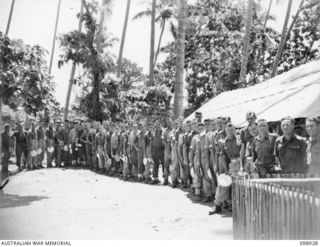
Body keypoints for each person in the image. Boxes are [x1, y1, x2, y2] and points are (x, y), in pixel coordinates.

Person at [209, 123, 241, 214]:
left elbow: (243, 152)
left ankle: (234, 205)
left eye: (232, 130)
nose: (230, 131)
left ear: (235, 130)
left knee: (237, 185)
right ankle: (217, 205)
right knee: (223, 183)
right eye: (228, 130)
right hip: (230, 164)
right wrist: (225, 169)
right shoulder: (223, 142)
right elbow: (222, 156)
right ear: (225, 131)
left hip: (239, 163)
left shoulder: (239, 139)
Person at [189, 121, 202, 201]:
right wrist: (190, 161)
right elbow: (191, 150)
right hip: (196, 158)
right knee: (197, 175)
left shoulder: (207, 136)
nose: (200, 129)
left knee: (206, 175)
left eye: (201, 128)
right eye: (199, 128)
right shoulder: (195, 137)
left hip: (205, 157)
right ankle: (197, 193)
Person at [150, 119, 164, 184]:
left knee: (164, 164)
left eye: (159, 124)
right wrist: (151, 151)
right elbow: (151, 142)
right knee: (155, 164)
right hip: (155, 150)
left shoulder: (163, 131)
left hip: (162, 150)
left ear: (161, 124)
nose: (157, 125)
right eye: (156, 124)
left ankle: (166, 179)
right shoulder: (153, 132)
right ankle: (155, 178)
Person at [162, 117, 173, 185]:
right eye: (167, 121)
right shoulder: (165, 130)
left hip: (174, 149)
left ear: (172, 121)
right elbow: (163, 140)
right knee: (166, 164)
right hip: (167, 149)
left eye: (170, 121)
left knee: (174, 165)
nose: (169, 122)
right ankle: (166, 179)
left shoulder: (174, 129)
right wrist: (167, 145)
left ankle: (174, 180)